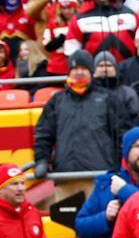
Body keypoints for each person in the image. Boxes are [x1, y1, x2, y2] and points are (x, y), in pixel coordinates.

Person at [33, 49, 131, 198]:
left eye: (84, 68)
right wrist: (42, 160)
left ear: (91, 72)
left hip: (100, 178)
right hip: (65, 179)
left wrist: (118, 167)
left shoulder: (107, 99)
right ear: (68, 72)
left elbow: (122, 134)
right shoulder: (56, 101)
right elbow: (43, 135)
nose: (79, 72)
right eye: (75, 68)